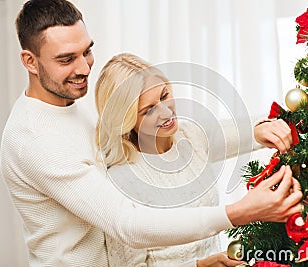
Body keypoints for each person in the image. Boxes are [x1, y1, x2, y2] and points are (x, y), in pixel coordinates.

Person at [0, 0, 302, 266]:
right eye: (66, 59)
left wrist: (259, 128)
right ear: (30, 61)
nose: (85, 68)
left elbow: (193, 138)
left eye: (87, 51)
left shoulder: (70, 102)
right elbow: (127, 224)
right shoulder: (35, 139)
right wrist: (237, 213)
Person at [94, 52, 294, 267]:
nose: (166, 112)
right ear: (126, 120)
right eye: (149, 110)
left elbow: (237, 132)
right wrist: (199, 266)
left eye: (164, 96)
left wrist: (263, 129)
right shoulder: (122, 180)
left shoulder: (190, 136)